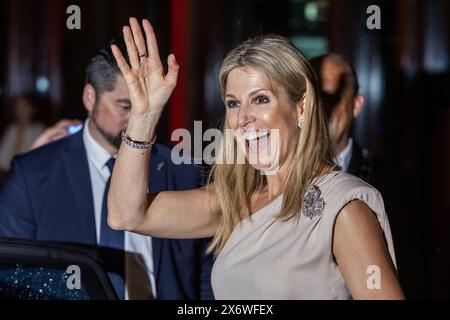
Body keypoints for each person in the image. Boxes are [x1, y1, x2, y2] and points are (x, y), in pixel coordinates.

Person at [108, 18, 404, 299]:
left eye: (260, 99)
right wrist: (143, 117)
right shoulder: (236, 201)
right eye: (233, 103)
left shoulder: (344, 207)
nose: (242, 118)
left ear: (301, 108)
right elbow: (126, 215)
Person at [0, 36, 214, 300]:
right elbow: (10, 274)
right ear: (90, 98)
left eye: (146, 106)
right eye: (126, 106)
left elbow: (207, 279)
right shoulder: (33, 173)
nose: (138, 117)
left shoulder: (184, 170)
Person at [310, 54, 372, 181]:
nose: (322, 108)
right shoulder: (275, 172)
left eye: (332, 97)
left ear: (356, 105)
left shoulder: (390, 182)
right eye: (313, 98)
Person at [0, 95, 44, 174]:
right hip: (7, 174)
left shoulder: (38, 130)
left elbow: (36, 159)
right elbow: (2, 158)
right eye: (18, 107)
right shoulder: (11, 130)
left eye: (24, 106)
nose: (20, 110)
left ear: (32, 108)